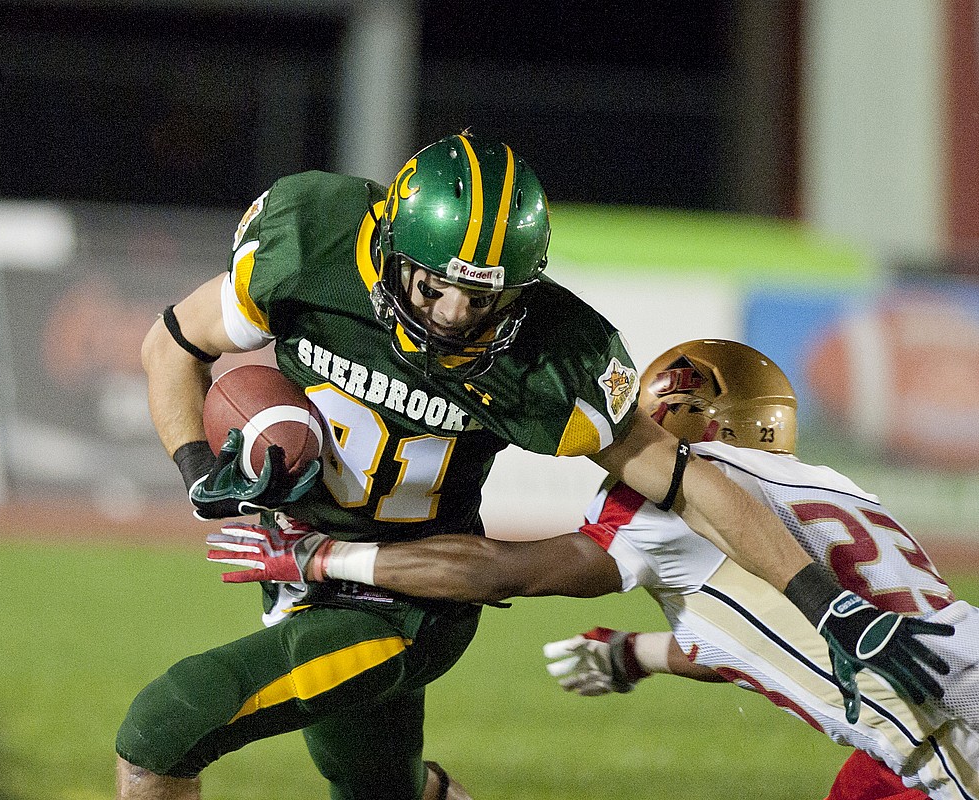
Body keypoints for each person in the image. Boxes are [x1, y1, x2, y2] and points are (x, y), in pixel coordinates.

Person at [130, 130, 949, 800]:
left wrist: (824, 601)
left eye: (483, 298)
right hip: (301, 572)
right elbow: (173, 343)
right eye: (434, 288)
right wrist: (200, 468)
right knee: (375, 788)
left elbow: (688, 480)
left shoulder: (555, 357)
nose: (454, 316)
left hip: (401, 603)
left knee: (165, 727)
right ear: (387, 247)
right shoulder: (311, 235)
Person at [209, 340, 978, 800]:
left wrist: (321, 555)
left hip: (947, 733)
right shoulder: (836, 489)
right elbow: (773, 638)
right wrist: (638, 652)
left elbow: (500, 571)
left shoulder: (669, 505)